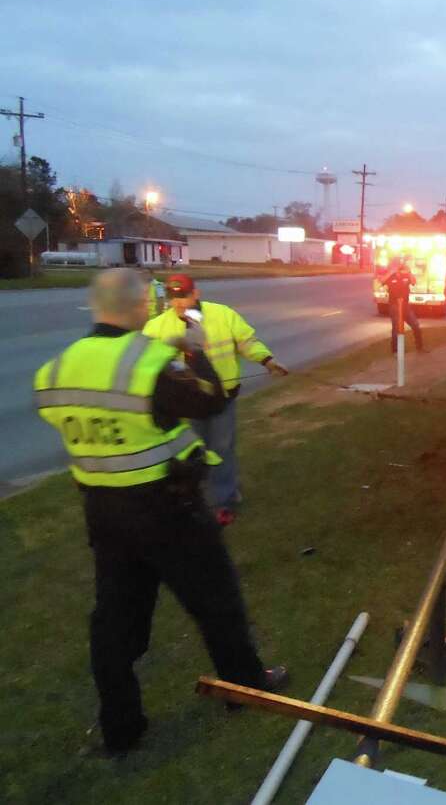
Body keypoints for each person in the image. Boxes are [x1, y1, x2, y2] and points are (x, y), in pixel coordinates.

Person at [33, 268, 287, 756]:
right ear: (139, 307)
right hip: (168, 508)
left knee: (115, 622)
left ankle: (120, 727)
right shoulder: (146, 359)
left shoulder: (57, 369)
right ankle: (245, 688)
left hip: (104, 514)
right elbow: (209, 402)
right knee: (216, 602)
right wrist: (193, 352)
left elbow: (63, 415)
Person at [142, 274, 288, 523]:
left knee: (221, 449)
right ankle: (200, 498)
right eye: (174, 297)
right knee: (196, 451)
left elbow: (246, 341)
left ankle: (223, 501)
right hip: (189, 403)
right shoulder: (156, 327)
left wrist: (267, 360)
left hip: (223, 398)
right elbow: (146, 363)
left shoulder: (222, 315)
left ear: (195, 293)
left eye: (184, 295)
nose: (179, 302)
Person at [382, 256, 426, 354]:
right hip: (394, 306)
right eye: (396, 264)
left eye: (399, 264)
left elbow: (414, 282)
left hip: (406, 306)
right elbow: (382, 281)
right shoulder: (390, 276)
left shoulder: (405, 275)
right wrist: (392, 271)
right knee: (396, 329)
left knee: (416, 326)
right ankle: (395, 351)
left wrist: (409, 271)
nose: (399, 265)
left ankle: (420, 348)